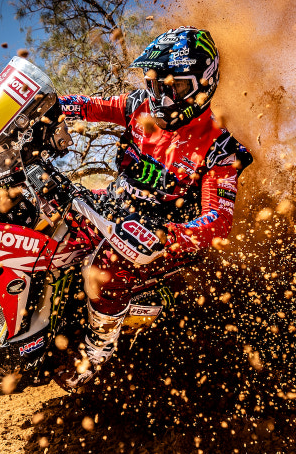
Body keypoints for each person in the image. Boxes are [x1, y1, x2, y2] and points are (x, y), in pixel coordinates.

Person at [54, 26, 253, 390]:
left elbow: (219, 221)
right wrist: (48, 109)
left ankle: (96, 352)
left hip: (166, 237)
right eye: (154, 84)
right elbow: (87, 105)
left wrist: (169, 234)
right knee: (52, 217)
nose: (160, 96)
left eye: (172, 86)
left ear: (203, 85)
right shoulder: (138, 106)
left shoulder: (220, 149)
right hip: (118, 204)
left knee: (107, 266)